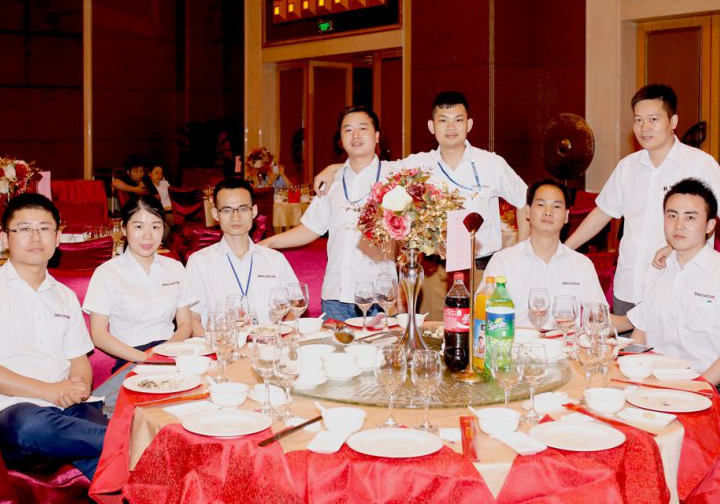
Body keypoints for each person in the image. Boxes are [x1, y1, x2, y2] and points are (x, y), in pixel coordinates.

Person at [0, 193, 106, 481]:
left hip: (67, 410)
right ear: (4, 238)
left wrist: (78, 387)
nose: (35, 237)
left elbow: (78, 359)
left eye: (44, 228)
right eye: (24, 229)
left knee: (98, 445)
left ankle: (119, 452)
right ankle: (127, 439)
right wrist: (49, 391)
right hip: (9, 412)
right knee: (30, 424)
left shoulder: (64, 296)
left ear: (57, 238)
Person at [565, 84, 720, 315]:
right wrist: (563, 250)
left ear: (673, 121)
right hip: (629, 287)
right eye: (638, 120)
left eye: (653, 119)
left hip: (677, 289)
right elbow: (602, 213)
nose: (644, 128)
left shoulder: (699, 164)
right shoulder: (627, 167)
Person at [315, 91, 530, 263]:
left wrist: (519, 254)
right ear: (431, 126)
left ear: (469, 124)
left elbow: (524, 201)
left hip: (481, 267)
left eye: (458, 120)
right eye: (443, 120)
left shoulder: (491, 163)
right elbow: (373, 167)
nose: (451, 127)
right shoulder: (418, 165)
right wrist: (334, 168)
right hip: (434, 271)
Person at [616, 178, 720, 412]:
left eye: (690, 218)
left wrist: (695, 387)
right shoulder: (658, 268)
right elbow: (642, 332)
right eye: (672, 215)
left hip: (713, 386)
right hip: (659, 384)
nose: (678, 225)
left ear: (710, 225)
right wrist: (629, 374)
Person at [260, 106, 396, 322]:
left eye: (363, 128)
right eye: (348, 130)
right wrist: (269, 243)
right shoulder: (331, 181)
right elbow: (311, 228)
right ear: (341, 139)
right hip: (335, 297)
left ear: (377, 136)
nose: (356, 135)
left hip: (379, 297)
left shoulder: (395, 177)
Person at [83, 195, 196, 372]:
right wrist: (146, 359)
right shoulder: (107, 273)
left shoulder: (175, 268)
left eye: (155, 227)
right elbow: (99, 335)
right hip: (130, 359)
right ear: (124, 228)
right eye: (138, 226)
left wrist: (164, 353)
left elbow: (185, 325)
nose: (147, 236)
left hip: (171, 353)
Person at [484, 179, 606, 330]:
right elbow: (484, 314)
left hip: (565, 343)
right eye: (541, 204)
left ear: (566, 216)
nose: (548, 212)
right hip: (516, 343)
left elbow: (598, 317)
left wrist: (630, 320)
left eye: (556, 206)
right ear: (527, 211)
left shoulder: (582, 265)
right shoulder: (503, 261)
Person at [187, 178, 299, 326]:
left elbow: (295, 306)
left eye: (243, 209)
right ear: (215, 213)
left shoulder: (275, 260)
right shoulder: (199, 262)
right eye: (227, 210)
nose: (236, 217)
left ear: (254, 211)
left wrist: (282, 332)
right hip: (222, 340)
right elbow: (193, 321)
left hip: (269, 338)